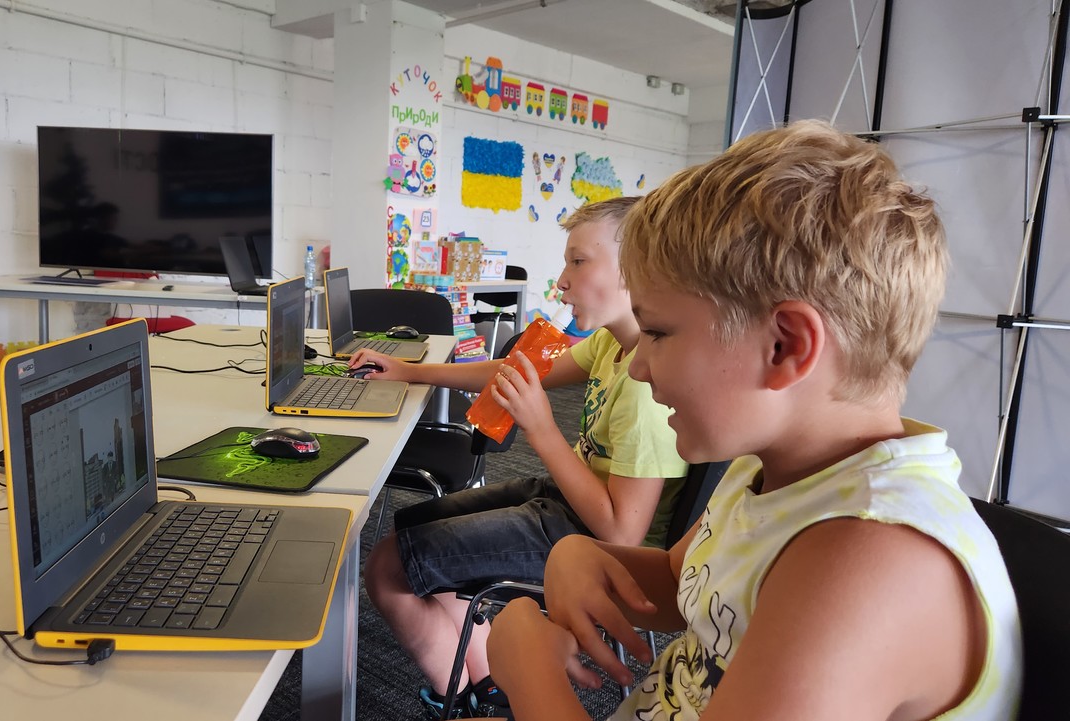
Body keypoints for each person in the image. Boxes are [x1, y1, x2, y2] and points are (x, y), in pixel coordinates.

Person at [485, 120, 1022, 721]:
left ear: (786, 346)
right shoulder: (770, 467)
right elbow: (682, 580)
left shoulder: (873, 562)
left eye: (657, 332)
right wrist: (584, 555)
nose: (637, 366)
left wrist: (529, 671)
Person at [351, 196, 688, 719]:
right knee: (410, 530)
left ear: (637, 270)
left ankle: (469, 705)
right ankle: (489, 685)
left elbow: (622, 535)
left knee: (386, 568)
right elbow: (513, 372)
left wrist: (542, 428)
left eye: (579, 262)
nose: (561, 282)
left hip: (597, 545)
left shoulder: (645, 392)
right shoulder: (612, 344)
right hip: (566, 505)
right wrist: (410, 371)